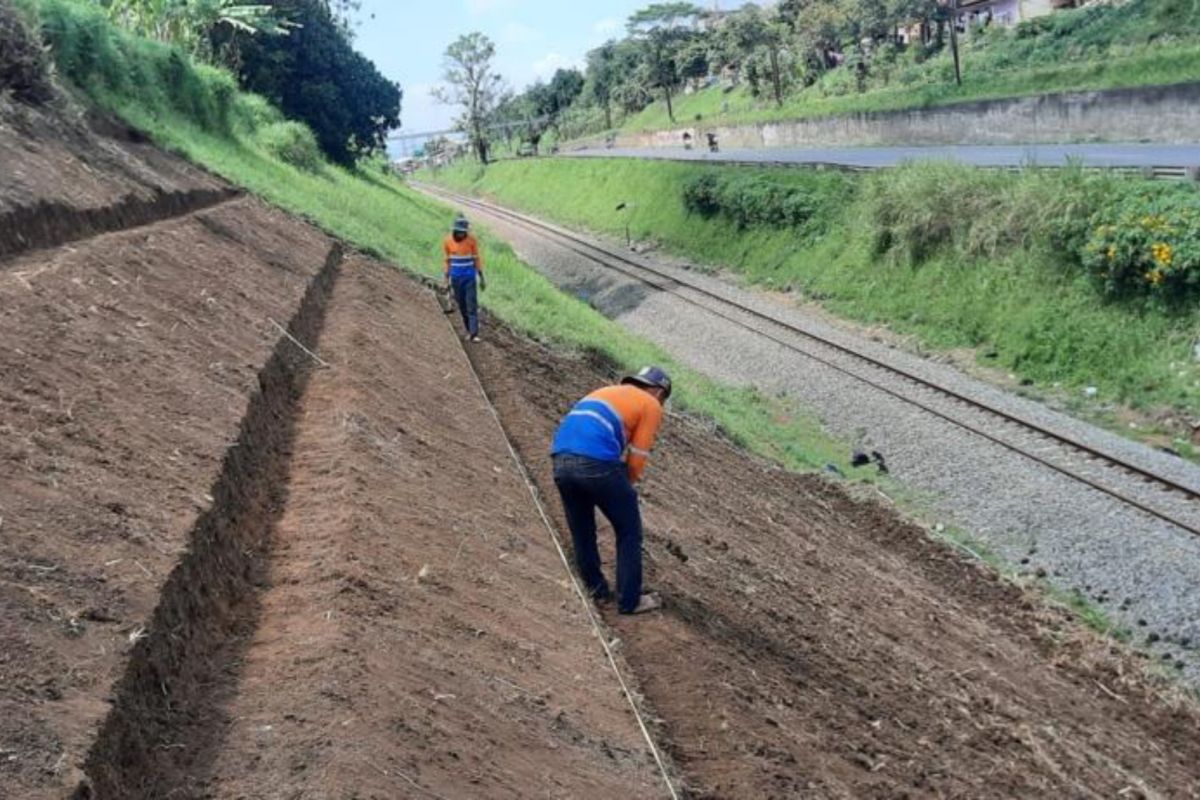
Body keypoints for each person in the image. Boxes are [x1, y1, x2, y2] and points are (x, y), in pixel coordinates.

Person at [550, 367, 672, 614]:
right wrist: (628, 483)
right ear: (659, 392)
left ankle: (596, 590)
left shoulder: (605, 391)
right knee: (628, 531)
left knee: (582, 529)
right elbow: (638, 455)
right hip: (596, 461)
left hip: (561, 459)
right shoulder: (651, 404)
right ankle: (630, 601)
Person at [443, 214, 486, 342]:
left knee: (471, 305)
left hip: (469, 278)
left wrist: (481, 277)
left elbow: (476, 259)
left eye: (464, 233)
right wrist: (446, 279)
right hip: (456, 279)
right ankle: (468, 330)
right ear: (455, 230)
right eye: (459, 232)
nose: (462, 235)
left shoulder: (472, 241)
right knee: (462, 306)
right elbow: (447, 261)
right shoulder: (447, 242)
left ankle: (474, 334)